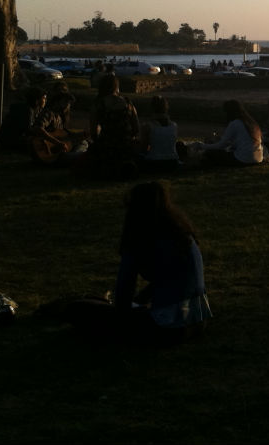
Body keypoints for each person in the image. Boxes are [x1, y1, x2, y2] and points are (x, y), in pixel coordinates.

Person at [66, 181, 212, 345]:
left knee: (78, 309)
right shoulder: (183, 234)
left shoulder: (140, 237)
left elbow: (124, 292)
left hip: (167, 329)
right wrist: (140, 300)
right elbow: (172, 277)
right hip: (198, 321)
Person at [88, 73, 140, 176]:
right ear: (116, 87)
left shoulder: (98, 104)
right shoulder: (128, 103)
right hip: (126, 146)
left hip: (107, 145)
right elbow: (136, 128)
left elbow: (93, 132)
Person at [198, 100, 269, 166]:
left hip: (244, 159)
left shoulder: (235, 123)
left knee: (211, 153)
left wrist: (202, 146)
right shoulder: (251, 123)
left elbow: (221, 145)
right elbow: (242, 141)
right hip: (258, 158)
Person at [139, 96, 182, 171]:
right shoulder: (174, 126)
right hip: (172, 162)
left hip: (155, 163)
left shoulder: (148, 126)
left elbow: (143, 149)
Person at [0, 86, 46, 152]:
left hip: (5, 139)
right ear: (37, 100)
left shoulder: (29, 109)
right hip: (10, 141)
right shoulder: (28, 110)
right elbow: (28, 130)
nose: (45, 101)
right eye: (44, 98)